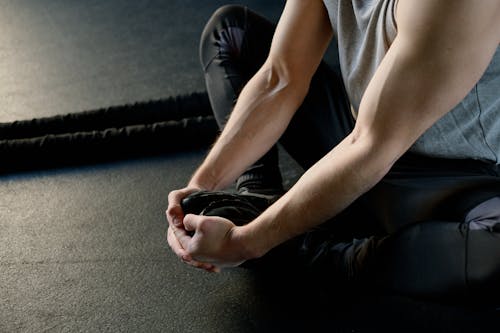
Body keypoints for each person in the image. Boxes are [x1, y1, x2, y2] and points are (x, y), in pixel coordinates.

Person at [166, 0, 500, 300]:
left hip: (457, 181)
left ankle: (306, 249)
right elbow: (280, 78)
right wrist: (202, 188)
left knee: (493, 251)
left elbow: (374, 145)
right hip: (356, 144)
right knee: (232, 32)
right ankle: (260, 198)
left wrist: (248, 242)